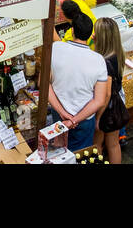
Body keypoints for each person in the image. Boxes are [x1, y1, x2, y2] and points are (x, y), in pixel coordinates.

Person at [47, 14, 110, 153]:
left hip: (59, 116)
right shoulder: (99, 60)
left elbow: (44, 85)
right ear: (90, 34)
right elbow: (99, 100)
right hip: (84, 120)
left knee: (58, 155)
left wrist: (63, 113)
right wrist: (74, 120)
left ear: (72, 30)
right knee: (79, 156)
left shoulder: (56, 48)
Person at [91, 17, 126, 163]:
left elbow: (106, 93)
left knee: (97, 144)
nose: (93, 35)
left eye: (95, 32)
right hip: (117, 104)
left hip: (105, 108)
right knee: (113, 144)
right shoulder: (118, 53)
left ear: (102, 37)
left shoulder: (104, 62)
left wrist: (98, 118)